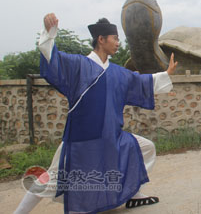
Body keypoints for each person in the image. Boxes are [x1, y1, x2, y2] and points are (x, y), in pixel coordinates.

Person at [14, 13, 178, 213]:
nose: (118, 43)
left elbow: (140, 82)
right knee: (51, 179)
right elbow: (52, 59)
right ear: (101, 39)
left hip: (112, 137)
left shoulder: (117, 72)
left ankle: (133, 193)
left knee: (145, 148)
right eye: (115, 39)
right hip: (81, 141)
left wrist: (165, 74)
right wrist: (49, 35)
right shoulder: (78, 65)